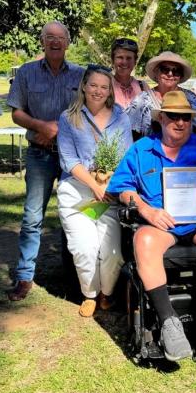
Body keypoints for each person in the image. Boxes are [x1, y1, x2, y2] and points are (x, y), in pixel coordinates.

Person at [107, 91, 196, 375]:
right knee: (143, 238)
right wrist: (146, 210)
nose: (180, 122)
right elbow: (121, 188)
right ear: (161, 118)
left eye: (186, 117)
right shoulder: (141, 149)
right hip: (163, 224)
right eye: (173, 116)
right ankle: (168, 321)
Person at [7, 21, 85, 301]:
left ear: (67, 42)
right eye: (49, 37)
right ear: (41, 41)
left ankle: (75, 276)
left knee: (74, 215)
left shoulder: (81, 74)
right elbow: (16, 113)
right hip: (39, 155)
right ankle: (25, 276)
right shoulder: (26, 72)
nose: (55, 42)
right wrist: (40, 126)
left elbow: (91, 111)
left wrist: (57, 130)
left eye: (60, 37)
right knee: (32, 217)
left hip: (72, 157)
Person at [57, 65, 132, 317]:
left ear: (110, 90)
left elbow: (126, 156)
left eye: (104, 86)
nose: (98, 91)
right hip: (78, 192)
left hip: (109, 193)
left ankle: (106, 294)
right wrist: (94, 185)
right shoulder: (69, 118)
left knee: (111, 252)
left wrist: (109, 186)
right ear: (84, 87)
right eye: (94, 85)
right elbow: (69, 160)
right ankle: (89, 293)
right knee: (84, 248)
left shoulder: (121, 117)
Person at [125, 51, 196, 139]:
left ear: (181, 75)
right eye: (165, 69)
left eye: (176, 71)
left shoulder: (192, 99)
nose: (170, 74)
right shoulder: (141, 101)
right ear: (156, 72)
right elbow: (129, 134)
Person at [110, 38, 147, 109]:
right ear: (113, 60)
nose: (124, 62)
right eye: (120, 57)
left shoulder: (143, 87)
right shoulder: (104, 85)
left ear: (135, 62)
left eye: (129, 58)